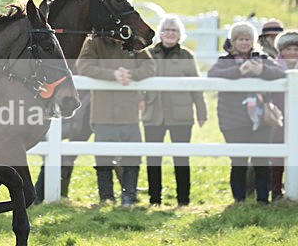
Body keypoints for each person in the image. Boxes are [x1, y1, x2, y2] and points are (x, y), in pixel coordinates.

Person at [207, 21, 285, 204]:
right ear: (233, 41)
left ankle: (263, 200)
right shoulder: (224, 60)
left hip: (261, 119)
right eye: (240, 39)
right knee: (238, 162)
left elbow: (280, 73)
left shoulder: (262, 58)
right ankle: (239, 199)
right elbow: (212, 76)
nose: (244, 42)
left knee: (262, 162)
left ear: (253, 41)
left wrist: (262, 70)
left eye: (247, 39)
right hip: (233, 120)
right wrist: (238, 71)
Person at [76, 35, 155, 205]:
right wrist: (112, 75)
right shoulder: (94, 42)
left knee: (133, 156)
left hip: (130, 112)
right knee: (103, 157)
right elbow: (83, 66)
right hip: (102, 112)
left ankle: (129, 197)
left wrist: (131, 75)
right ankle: (106, 197)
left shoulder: (134, 41)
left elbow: (150, 66)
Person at [141, 15, 207, 206]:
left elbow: (196, 87)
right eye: (167, 30)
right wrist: (140, 100)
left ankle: (183, 201)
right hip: (154, 114)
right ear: (160, 32)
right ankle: (155, 200)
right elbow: (139, 79)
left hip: (181, 116)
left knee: (181, 158)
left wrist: (201, 112)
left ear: (180, 35)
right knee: (153, 159)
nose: (170, 33)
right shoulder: (149, 54)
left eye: (175, 30)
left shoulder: (187, 56)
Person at [269, 30, 298, 201]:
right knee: (277, 156)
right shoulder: (273, 67)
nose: (293, 53)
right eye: (289, 49)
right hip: (279, 118)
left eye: (296, 49)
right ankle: (276, 192)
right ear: (281, 50)